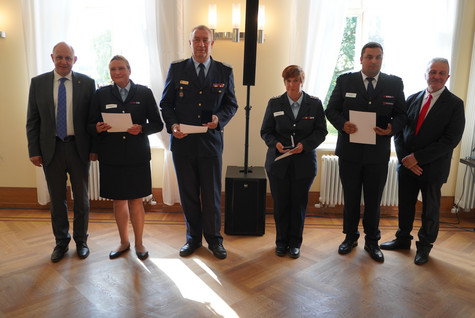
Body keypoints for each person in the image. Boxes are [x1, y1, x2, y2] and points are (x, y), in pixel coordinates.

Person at [160, 25, 238, 259]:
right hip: (183, 144)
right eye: (197, 40)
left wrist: (219, 119)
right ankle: (193, 238)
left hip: (210, 144)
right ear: (190, 43)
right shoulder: (177, 69)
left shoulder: (224, 71)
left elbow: (231, 104)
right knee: (189, 193)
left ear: (212, 44)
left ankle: (214, 239)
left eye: (206, 40)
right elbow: (166, 104)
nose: (201, 44)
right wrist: (173, 127)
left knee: (212, 193)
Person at [325, 42, 407, 262]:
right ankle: (350, 237)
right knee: (351, 199)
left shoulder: (394, 83)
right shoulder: (345, 80)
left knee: (373, 200)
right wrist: (343, 124)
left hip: (377, 154)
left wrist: (391, 128)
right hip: (349, 152)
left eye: (378, 57)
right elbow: (330, 110)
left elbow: (402, 115)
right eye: (369, 57)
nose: (373, 61)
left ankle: (372, 241)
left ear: (382, 59)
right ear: (361, 59)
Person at [380, 58, 465, 265]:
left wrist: (417, 158)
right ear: (426, 73)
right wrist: (404, 159)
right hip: (406, 165)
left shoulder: (455, 104)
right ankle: (402, 240)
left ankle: (424, 247)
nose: (436, 76)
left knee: (430, 209)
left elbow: (450, 140)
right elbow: (398, 131)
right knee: (405, 205)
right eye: (433, 71)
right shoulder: (412, 99)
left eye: (441, 73)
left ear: (447, 77)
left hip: (433, 167)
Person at [26, 42, 96, 262]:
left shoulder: (87, 83)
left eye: (68, 58)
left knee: (82, 200)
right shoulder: (38, 83)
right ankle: (61, 243)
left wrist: (94, 149)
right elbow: (32, 120)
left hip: (79, 149)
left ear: (74, 60)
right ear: (52, 58)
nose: (64, 61)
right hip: (51, 149)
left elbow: (93, 120)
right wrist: (34, 150)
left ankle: (81, 241)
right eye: (59, 57)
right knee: (57, 200)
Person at [88, 55, 163, 261]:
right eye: (113, 69)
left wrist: (141, 129)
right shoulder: (101, 94)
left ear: (129, 70)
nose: (117, 72)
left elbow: (158, 124)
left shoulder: (144, 93)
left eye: (121, 68)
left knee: (136, 201)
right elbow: (89, 124)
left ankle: (139, 243)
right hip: (111, 156)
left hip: (136, 155)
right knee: (118, 201)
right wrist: (97, 127)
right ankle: (123, 242)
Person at [261, 65, 327, 258]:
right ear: (285, 82)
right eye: (288, 81)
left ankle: (295, 242)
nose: (292, 85)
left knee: (298, 205)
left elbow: (321, 131)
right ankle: (281, 242)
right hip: (278, 163)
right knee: (281, 204)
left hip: (304, 164)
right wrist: (276, 144)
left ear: (302, 81)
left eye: (295, 80)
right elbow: (266, 132)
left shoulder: (314, 104)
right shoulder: (275, 103)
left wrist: (305, 145)